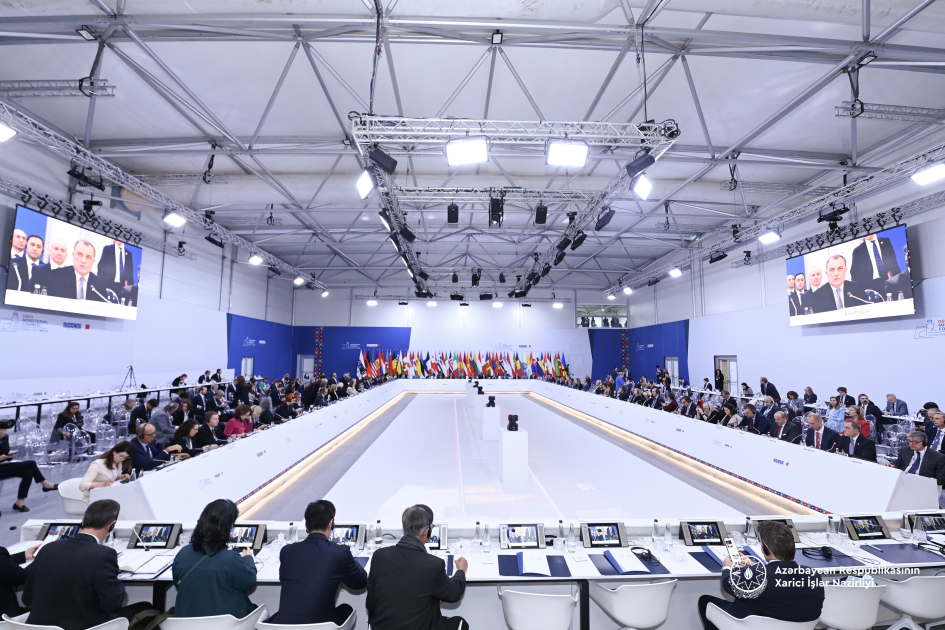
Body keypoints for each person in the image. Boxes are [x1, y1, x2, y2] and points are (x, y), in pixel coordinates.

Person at [23, 500, 156, 630]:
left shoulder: (48, 549)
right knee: (147, 609)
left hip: (37, 626)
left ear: (82, 521)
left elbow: (27, 598)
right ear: (111, 525)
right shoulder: (104, 555)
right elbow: (112, 604)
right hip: (84, 625)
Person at [697, 521, 823, 630]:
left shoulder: (758, 576)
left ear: (766, 548)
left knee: (705, 601)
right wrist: (754, 565)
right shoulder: (813, 575)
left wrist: (727, 567)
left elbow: (728, 585)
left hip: (757, 625)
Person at [367, 504, 468, 630]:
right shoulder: (433, 565)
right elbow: (454, 594)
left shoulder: (379, 556)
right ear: (426, 532)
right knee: (460, 623)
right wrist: (461, 570)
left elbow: (370, 603)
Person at [272, 500, 366, 625]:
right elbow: (360, 583)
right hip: (322, 625)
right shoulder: (339, 552)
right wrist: (348, 557)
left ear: (306, 526)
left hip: (283, 625)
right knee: (346, 609)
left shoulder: (287, 551)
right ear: (331, 523)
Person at [172, 499, 257, 618]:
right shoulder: (230, 559)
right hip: (227, 624)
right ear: (227, 528)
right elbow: (248, 582)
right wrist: (248, 558)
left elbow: (178, 583)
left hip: (188, 623)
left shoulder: (182, 553)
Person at [0, 422, 58, 512]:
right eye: (1, 429)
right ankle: (45, 484)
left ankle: (20, 502)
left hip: (3, 466)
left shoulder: (5, 437)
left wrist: (9, 455)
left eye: (4, 429)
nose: (3, 431)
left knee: (28, 473)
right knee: (31, 464)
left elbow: (5, 453)